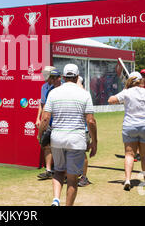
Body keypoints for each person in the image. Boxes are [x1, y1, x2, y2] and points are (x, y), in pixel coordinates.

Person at [39, 64, 97, 206]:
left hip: (57, 138)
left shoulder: (53, 93)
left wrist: (40, 135)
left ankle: (56, 199)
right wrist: (94, 141)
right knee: (72, 178)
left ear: (63, 77)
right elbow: (91, 121)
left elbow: (45, 118)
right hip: (76, 139)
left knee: (58, 171)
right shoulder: (84, 93)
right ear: (77, 77)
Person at [108, 71, 145, 191]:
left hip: (130, 125)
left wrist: (124, 92)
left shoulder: (127, 92)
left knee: (129, 154)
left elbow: (111, 100)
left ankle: (127, 179)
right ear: (140, 80)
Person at [35, 66, 58, 180]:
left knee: (58, 145)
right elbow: (42, 104)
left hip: (57, 120)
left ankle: (60, 170)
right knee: (47, 144)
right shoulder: (44, 87)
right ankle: (48, 170)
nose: (45, 78)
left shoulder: (58, 88)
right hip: (47, 120)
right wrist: (38, 118)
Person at [76, 76, 91, 187]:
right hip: (73, 129)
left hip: (83, 129)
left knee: (82, 153)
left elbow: (90, 117)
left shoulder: (85, 94)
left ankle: (84, 177)